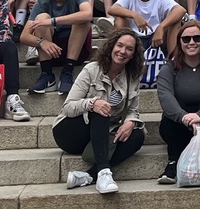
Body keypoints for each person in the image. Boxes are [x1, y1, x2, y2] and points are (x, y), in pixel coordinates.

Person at [55, 28, 145, 194]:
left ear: (133, 55)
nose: (123, 51)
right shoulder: (91, 69)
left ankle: (89, 176)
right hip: (69, 132)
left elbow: (133, 110)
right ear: (111, 46)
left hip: (100, 134)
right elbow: (68, 107)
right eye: (120, 45)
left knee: (138, 135)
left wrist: (130, 122)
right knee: (101, 108)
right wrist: (91, 103)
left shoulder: (132, 76)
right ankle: (104, 172)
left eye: (129, 49)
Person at [155, 17, 200, 184]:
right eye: (186, 39)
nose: (191, 42)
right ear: (180, 41)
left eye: (197, 38)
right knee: (171, 115)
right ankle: (173, 162)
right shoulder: (169, 67)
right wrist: (185, 118)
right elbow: (165, 96)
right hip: (177, 124)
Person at [21, 0, 93, 95]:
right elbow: (24, 35)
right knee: (41, 18)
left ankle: (67, 72)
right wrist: (42, 42)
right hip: (51, 50)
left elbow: (88, 14)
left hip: (77, 51)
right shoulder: (44, 0)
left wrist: (53, 21)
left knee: (82, 20)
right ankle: (47, 74)